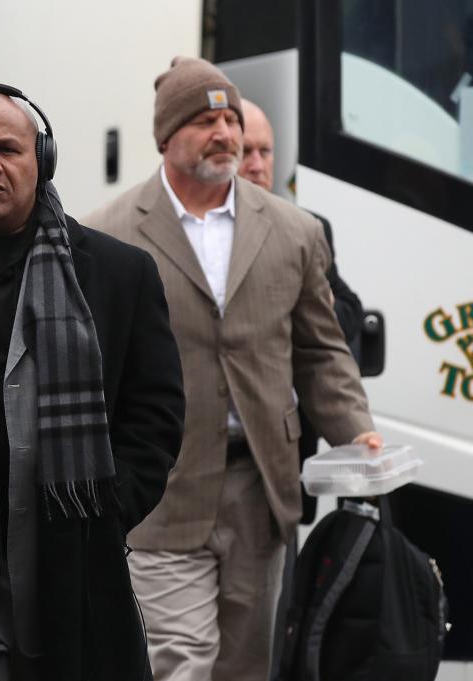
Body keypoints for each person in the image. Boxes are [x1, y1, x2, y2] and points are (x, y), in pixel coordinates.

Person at [83, 57, 382, 681]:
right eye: (203, 120)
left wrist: (355, 428)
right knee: (180, 662)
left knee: (248, 665)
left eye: (229, 118)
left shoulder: (295, 232)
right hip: (161, 488)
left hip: (262, 488)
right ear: (166, 137)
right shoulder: (106, 234)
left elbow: (320, 350)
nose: (224, 132)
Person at [0, 83, 186, 681]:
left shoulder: (118, 272)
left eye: (6, 148)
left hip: (73, 562)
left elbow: (154, 413)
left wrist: (104, 512)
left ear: (41, 159)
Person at [238, 98, 365, 523]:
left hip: (286, 454)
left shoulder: (307, 228)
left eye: (266, 152)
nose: (257, 165)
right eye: (245, 152)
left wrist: (314, 305)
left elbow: (348, 309)